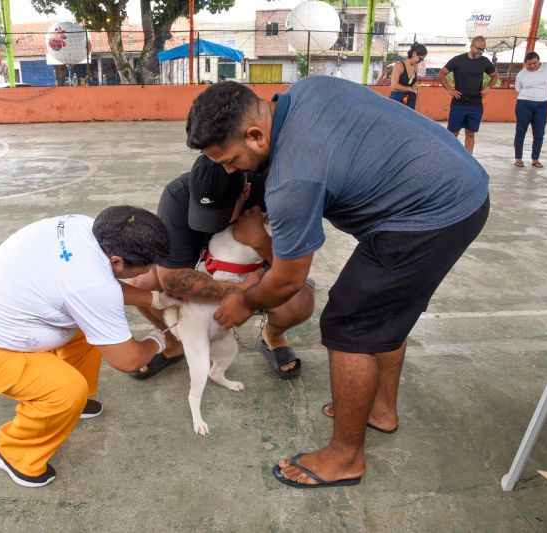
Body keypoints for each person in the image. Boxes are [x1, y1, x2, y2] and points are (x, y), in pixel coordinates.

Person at [185, 78, 489, 488]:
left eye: (230, 159)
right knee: (384, 307)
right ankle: (380, 410)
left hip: (429, 213)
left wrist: (244, 301)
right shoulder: (308, 89)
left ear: (256, 135)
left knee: (350, 325)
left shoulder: (293, 180)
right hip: (458, 183)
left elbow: (290, 279)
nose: (226, 170)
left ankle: (345, 457)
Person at [0, 206, 179, 488]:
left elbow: (97, 287)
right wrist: (162, 335)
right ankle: (13, 451)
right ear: (116, 261)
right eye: (147, 267)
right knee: (66, 392)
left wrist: (154, 299)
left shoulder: (86, 228)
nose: (150, 271)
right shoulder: (92, 284)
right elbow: (128, 360)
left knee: (96, 329)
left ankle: (69, 404)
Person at [127, 155, 315, 380]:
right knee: (142, 283)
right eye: (203, 211)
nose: (210, 223)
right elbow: (171, 279)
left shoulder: (276, 190)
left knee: (300, 301)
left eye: (221, 213)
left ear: (245, 192)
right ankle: (175, 342)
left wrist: (260, 241)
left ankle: (273, 337)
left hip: (263, 274)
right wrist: (243, 293)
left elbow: (296, 268)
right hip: (214, 274)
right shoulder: (177, 196)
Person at [439, 36, 498, 154]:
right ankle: (449, 156)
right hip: (458, 104)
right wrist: (449, 90)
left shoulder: (484, 61)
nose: (480, 52)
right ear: (471, 46)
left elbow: (494, 75)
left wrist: (488, 87)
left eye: (483, 49)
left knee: (470, 134)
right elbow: (442, 73)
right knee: (452, 134)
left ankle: (468, 159)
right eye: (478, 49)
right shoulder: (458, 60)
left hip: (476, 105)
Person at [513, 51, 547, 168]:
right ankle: (518, 159)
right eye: (529, 64)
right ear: (525, 64)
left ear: (539, 60)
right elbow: (518, 89)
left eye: (535, 63)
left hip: (542, 105)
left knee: (539, 133)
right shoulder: (521, 74)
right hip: (524, 104)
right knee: (520, 132)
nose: (533, 66)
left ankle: (535, 159)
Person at [389, 43, 427, 110]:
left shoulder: (415, 66)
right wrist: (410, 89)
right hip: (397, 99)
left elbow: (413, 84)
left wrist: (415, 89)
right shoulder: (399, 66)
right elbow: (394, 85)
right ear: (414, 54)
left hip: (410, 99)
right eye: (420, 58)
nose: (421, 61)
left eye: (423, 59)